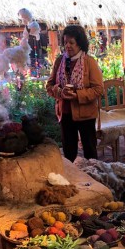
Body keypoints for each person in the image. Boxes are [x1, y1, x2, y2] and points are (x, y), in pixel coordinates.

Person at [46, 25, 103, 162]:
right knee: (69, 152)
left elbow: (98, 89)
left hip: (86, 115)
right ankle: (72, 180)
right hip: (65, 113)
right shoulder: (60, 61)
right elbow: (49, 85)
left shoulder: (89, 62)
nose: (68, 46)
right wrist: (59, 92)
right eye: (65, 42)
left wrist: (77, 95)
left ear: (80, 43)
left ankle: (94, 179)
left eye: (71, 42)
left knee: (90, 151)